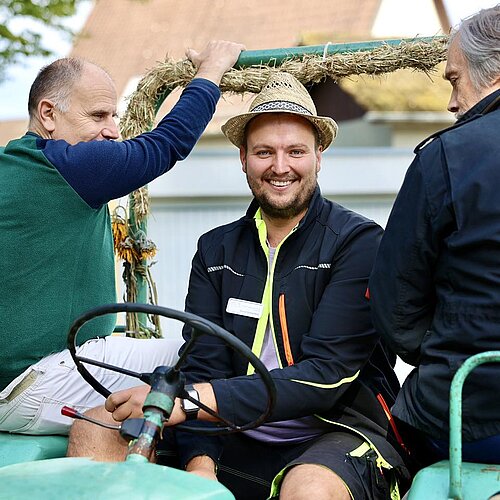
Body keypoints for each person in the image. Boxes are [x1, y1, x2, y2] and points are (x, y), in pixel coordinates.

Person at [100, 72, 411, 499]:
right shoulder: (216, 250)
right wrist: (201, 468)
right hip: (229, 426)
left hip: (337, 430)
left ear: (319, 157)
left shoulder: (359, 243)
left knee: (310, 490)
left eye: (295, 151)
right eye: (265, 152)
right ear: (243, 158)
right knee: (96, 428)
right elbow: (203, 367)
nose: (280, 166)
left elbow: (323, 379)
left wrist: (188, 401)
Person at [0, 40, 245, 447]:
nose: (112, 129)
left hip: (26, 376)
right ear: (48, 114)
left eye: (114, 114)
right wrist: (212, 71)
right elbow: (165, 145)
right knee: (218, 356)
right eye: (98, 115)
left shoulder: (15, 166)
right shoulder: (64, 167)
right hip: (36, 381)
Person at [369, 5, 500, 468]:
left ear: (495, 70)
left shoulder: (448, 156)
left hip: (472, 415)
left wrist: (445, 346)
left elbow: (394, 303)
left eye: (454, 79)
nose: (450, 102)